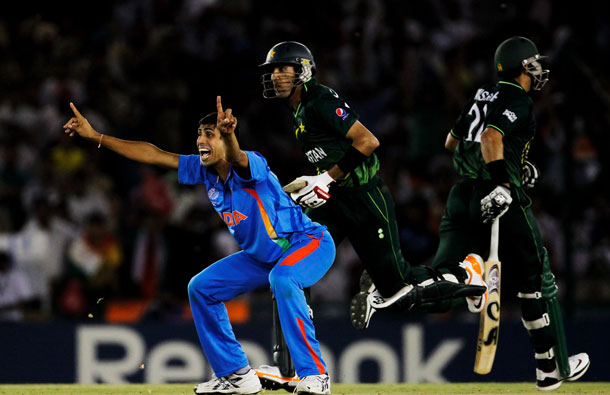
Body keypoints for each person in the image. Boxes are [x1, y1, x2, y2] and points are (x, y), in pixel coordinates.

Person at [63, 97, 334, 395]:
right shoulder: (203, 171)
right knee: (201, 288)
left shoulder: (250, 164)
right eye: (199, 133)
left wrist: (229, 136)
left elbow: (238, 159)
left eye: (209, 133)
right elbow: (153, 155)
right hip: (262, 257)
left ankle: (316, 376)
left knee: (283, 278)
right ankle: (236, 376)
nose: (200, 140)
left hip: (307, 242)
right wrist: (98, 136)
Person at [255, 41, 485, 390]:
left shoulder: (319, 100)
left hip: (365, 199)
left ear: (303, 70)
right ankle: (292, 370)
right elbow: (332, 152)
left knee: (399, 290)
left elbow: (367, 142)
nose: (275, 76)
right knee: (290, 268)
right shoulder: (299, 109)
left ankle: (465, 275)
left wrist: (326, 178)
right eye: (273, 70)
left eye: (283, 68)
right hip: (334, 202)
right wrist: (315, 176)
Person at [427, 36, 589, 390]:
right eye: (533, 62)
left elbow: (452, 142)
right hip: (499, 195)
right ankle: (550, 368)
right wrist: (503, 180)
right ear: (521, 66)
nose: (538, 68)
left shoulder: (482, 94)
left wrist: (513, 161)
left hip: (463, 193)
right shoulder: (518, 98)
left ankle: (471, 278)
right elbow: (490, 138)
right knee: (537, 280)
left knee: (443, 269)